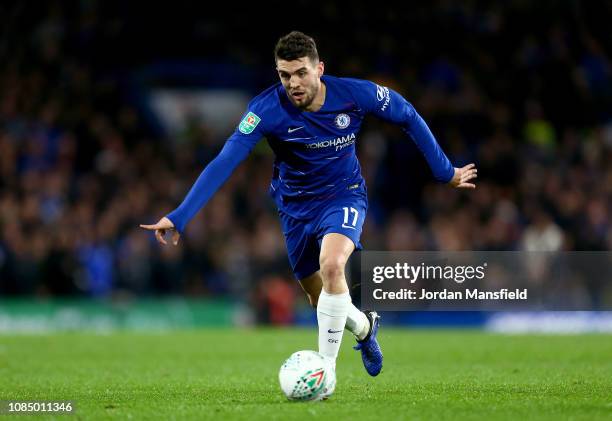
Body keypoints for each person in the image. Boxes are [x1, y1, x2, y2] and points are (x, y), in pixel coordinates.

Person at [141, 31, 477, 379]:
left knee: (332, 265)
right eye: (285, 75)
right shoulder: (266, 109)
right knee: (322, 302)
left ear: (319, 69)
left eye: (301, 72)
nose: (293, 83)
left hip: (344, 195)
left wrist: (444, 170)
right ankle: (364, 327)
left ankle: (324, 373)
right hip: (294, 209)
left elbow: (406, 113)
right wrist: (181, 215)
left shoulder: (354, 94)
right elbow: (226, 160)